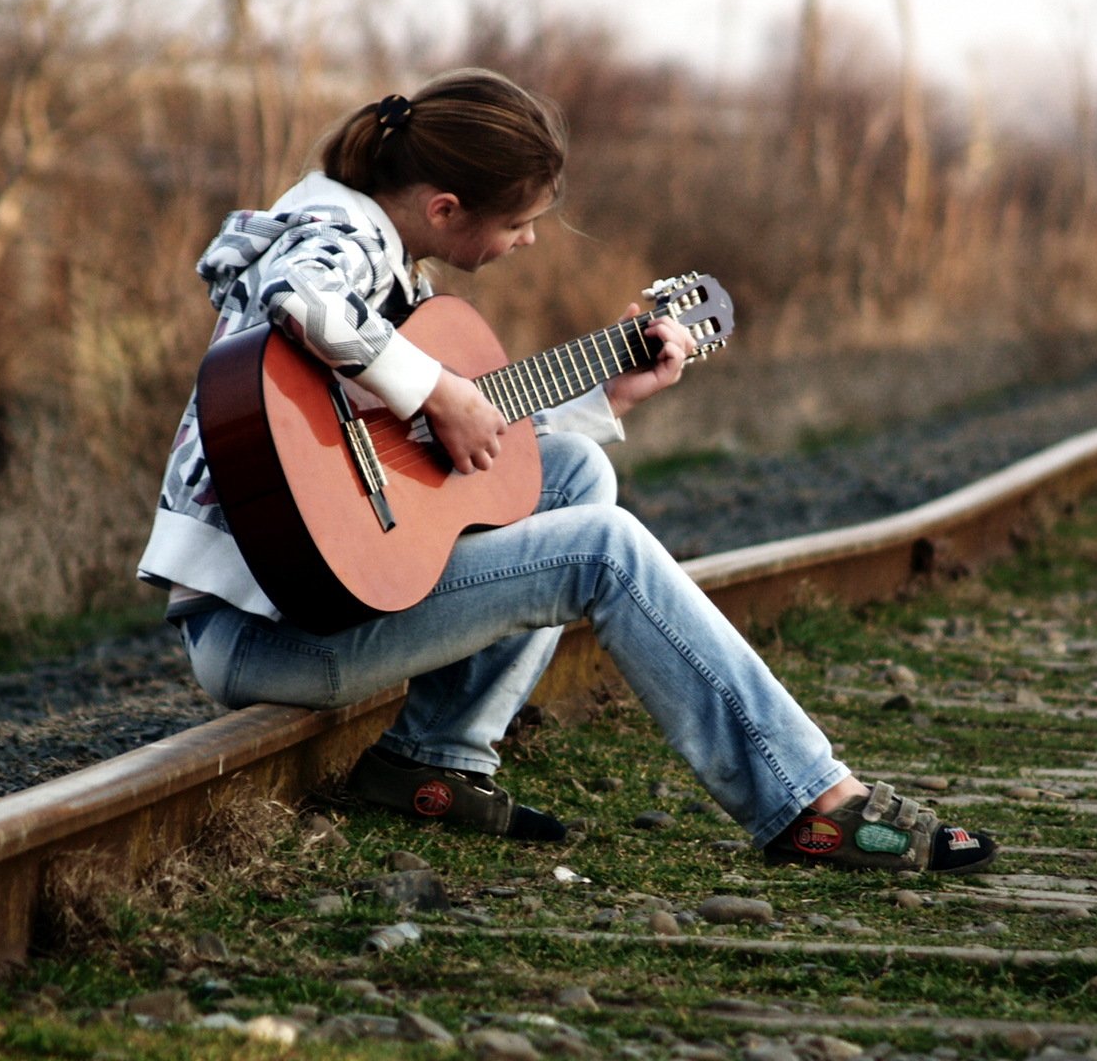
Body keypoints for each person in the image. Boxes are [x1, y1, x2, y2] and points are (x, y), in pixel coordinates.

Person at [137, 68, 996, 875]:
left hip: (296, 604)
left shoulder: (377, 247)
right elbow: (303, 297)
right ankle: (813, 802)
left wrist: (607, 399)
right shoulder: (337, 238)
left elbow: (434, 463)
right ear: (443, 208)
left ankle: (432, 764)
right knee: (602, 548)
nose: (530, 239)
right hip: (270, 632)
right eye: (517, 224)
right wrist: (438, 388)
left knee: (575, 472)